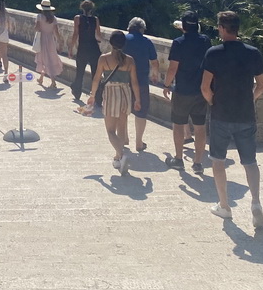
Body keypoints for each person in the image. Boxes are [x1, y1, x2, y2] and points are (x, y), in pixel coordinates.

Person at [202, 11, 263, 227]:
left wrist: (213, 102)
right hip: (245, 113)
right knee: (250, 161)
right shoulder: (253, 52)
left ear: (221, 28)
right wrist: (251, 99)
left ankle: (224, 205)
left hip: (221, 113)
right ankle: (256, 202)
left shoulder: (213, 53)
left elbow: (205, 87)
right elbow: (262, 84)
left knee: (218, 160)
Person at [162, 11, 212, 173]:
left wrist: (167, 85)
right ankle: (198, 163)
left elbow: (173, 68)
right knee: (200, 126)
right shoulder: (205, 41)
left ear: (183, 26)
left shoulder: (179, 43)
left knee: (178, 124)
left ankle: (178, 159)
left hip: (182, 90)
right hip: (201, 90)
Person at [87, 31, 141, 175]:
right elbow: (134, 82)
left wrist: (92, 95)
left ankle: (122, 155)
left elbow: (97, 79)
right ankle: (118, 158)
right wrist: (138, 99)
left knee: (110, 130)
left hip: (111, 93)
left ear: (110, 43)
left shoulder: (103, 59)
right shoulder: (130, 60)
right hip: (125, 93)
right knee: (121, 128)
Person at [124, 17, 158, 152]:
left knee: (123, 110)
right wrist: (154, 75)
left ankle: (124, 137)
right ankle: (138, 142)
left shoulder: (123, 40)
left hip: (124, 80)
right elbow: (154, 62)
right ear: (141, 29)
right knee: (141, 111)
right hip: (141, 81)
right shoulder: (147, 42)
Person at [70, 0, 102, 103]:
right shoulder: (95, 19)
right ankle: (98, 97)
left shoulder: (77, 18)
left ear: (82, 8)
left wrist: (71, 48)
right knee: (95, 74)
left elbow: (76, 33)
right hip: (94, 48)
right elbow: (99, 35)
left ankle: (77, 92)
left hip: (83, 48)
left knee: (80, 72)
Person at [35, 0, 63, 88]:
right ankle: (41, 78)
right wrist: (59, 42)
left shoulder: (39, 17)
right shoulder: (54, 18)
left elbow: (37, 28)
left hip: (42, 39)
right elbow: (56, 32)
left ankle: (53, 82)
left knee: (45, 59)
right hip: (51, 40)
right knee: (49, 58)